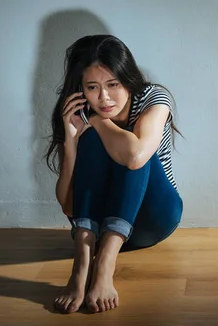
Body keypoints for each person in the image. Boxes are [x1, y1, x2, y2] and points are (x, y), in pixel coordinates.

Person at [43, 35, 184, 314]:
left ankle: (105, 265)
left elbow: (135, 156)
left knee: (129, 142)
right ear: (80, 88)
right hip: (95, 224)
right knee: (93, 140)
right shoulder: (73, 112)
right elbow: (68, 205)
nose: (104, 98)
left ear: (127, 79)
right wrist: (71, 145)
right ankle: (81, 269)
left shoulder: (153, 98)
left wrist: (96, 120)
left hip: (153, 216)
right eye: (92, 87)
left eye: (113, 85)